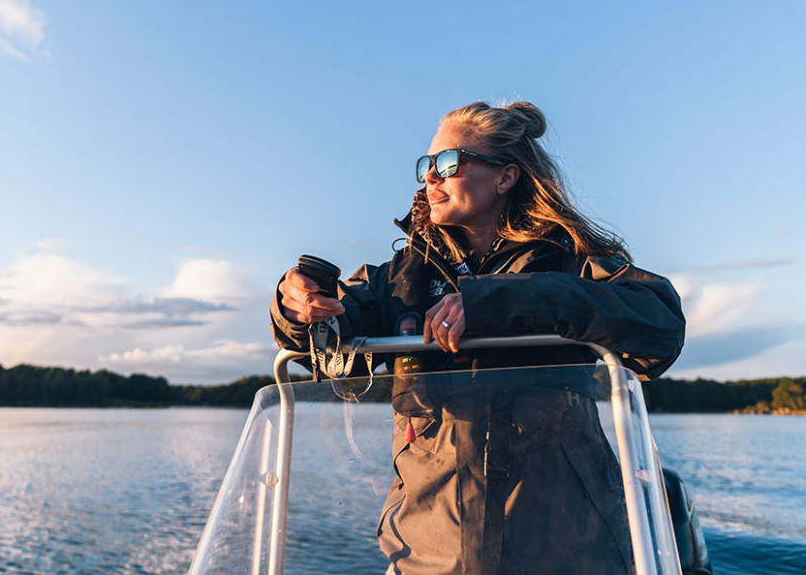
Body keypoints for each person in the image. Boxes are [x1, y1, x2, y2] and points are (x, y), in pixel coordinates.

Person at [270, 101, 685, 575]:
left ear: (506, 178)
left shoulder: (571, 266)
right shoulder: (399, 281)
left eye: (449, 164)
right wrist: (297, 309)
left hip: (567, 556)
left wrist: (501, 302)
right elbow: (324, 345)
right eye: (426, 166)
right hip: (425, 557)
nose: (431, 178)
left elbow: (661, 323)